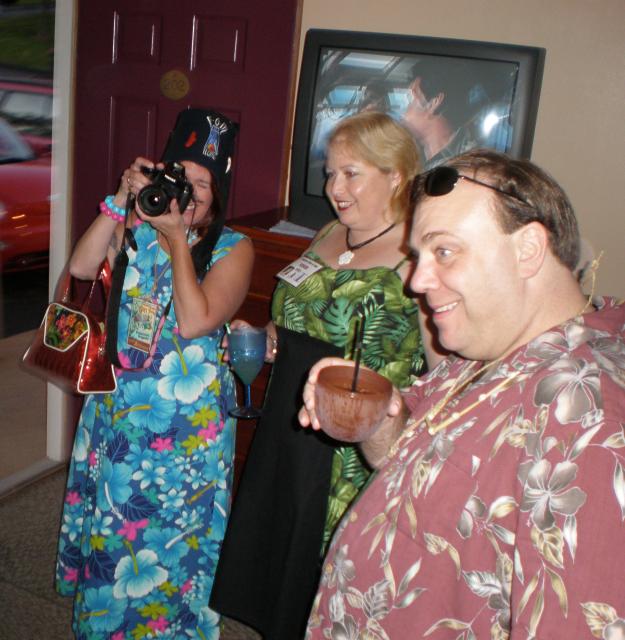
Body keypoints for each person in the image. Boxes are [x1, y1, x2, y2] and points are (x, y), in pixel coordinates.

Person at [299, 149, 625, 638]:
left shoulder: (586, 421)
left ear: (527, 250)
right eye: (418, 256)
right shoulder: (491, 346)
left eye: (445, 251)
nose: (417, 280)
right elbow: (412, 461)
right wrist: (383, 417)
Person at [210, 111, 441, 639]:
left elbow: (443, 370)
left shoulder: (417, 256)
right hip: (292, 428)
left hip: (357, 447)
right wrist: (266, 339)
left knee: (334, 576)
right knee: (283, 563)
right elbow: (296, 318)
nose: (334, 188)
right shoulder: (330, 232)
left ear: (396, 175)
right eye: (331, 172)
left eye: (351, 173)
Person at [54, 108, 254, 639]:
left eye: (203, 185)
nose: (189, 192)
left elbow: (196, 320)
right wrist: (121, 199)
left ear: (219, 194)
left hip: (186, 428)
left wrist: (177, 241)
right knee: (115, 526)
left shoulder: (234, 248)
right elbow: (80, 269)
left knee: (175, 534)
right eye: (180, 176)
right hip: (118, 407)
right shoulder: (136, 227)